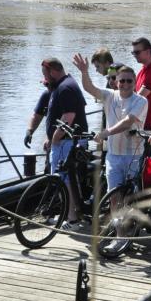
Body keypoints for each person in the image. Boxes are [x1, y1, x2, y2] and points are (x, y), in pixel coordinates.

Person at [25, 58, 88, 227]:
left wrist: (53, 141)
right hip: (63, 141)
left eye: (45, 74)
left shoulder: (66, 88)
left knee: (64, 180)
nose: (45, 79)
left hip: (68, 142)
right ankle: (67, 214)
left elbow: (68, 118)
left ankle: (72, 218)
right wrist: (32, 132)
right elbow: (45, 116)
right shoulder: (57, 88)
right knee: (63, 179)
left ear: (52, 71)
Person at [71, 54, 147, 191]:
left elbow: (127, 122)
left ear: (135, 82)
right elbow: (90, 88)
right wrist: (84, 72)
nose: (125, 84)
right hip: (113, 155)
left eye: (129, 81)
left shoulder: (141, 101)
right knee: (113, 194)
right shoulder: (109, 95)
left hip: (133, 155)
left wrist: (106, 132)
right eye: (122, 81)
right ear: (117, 81)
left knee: (131, 196)